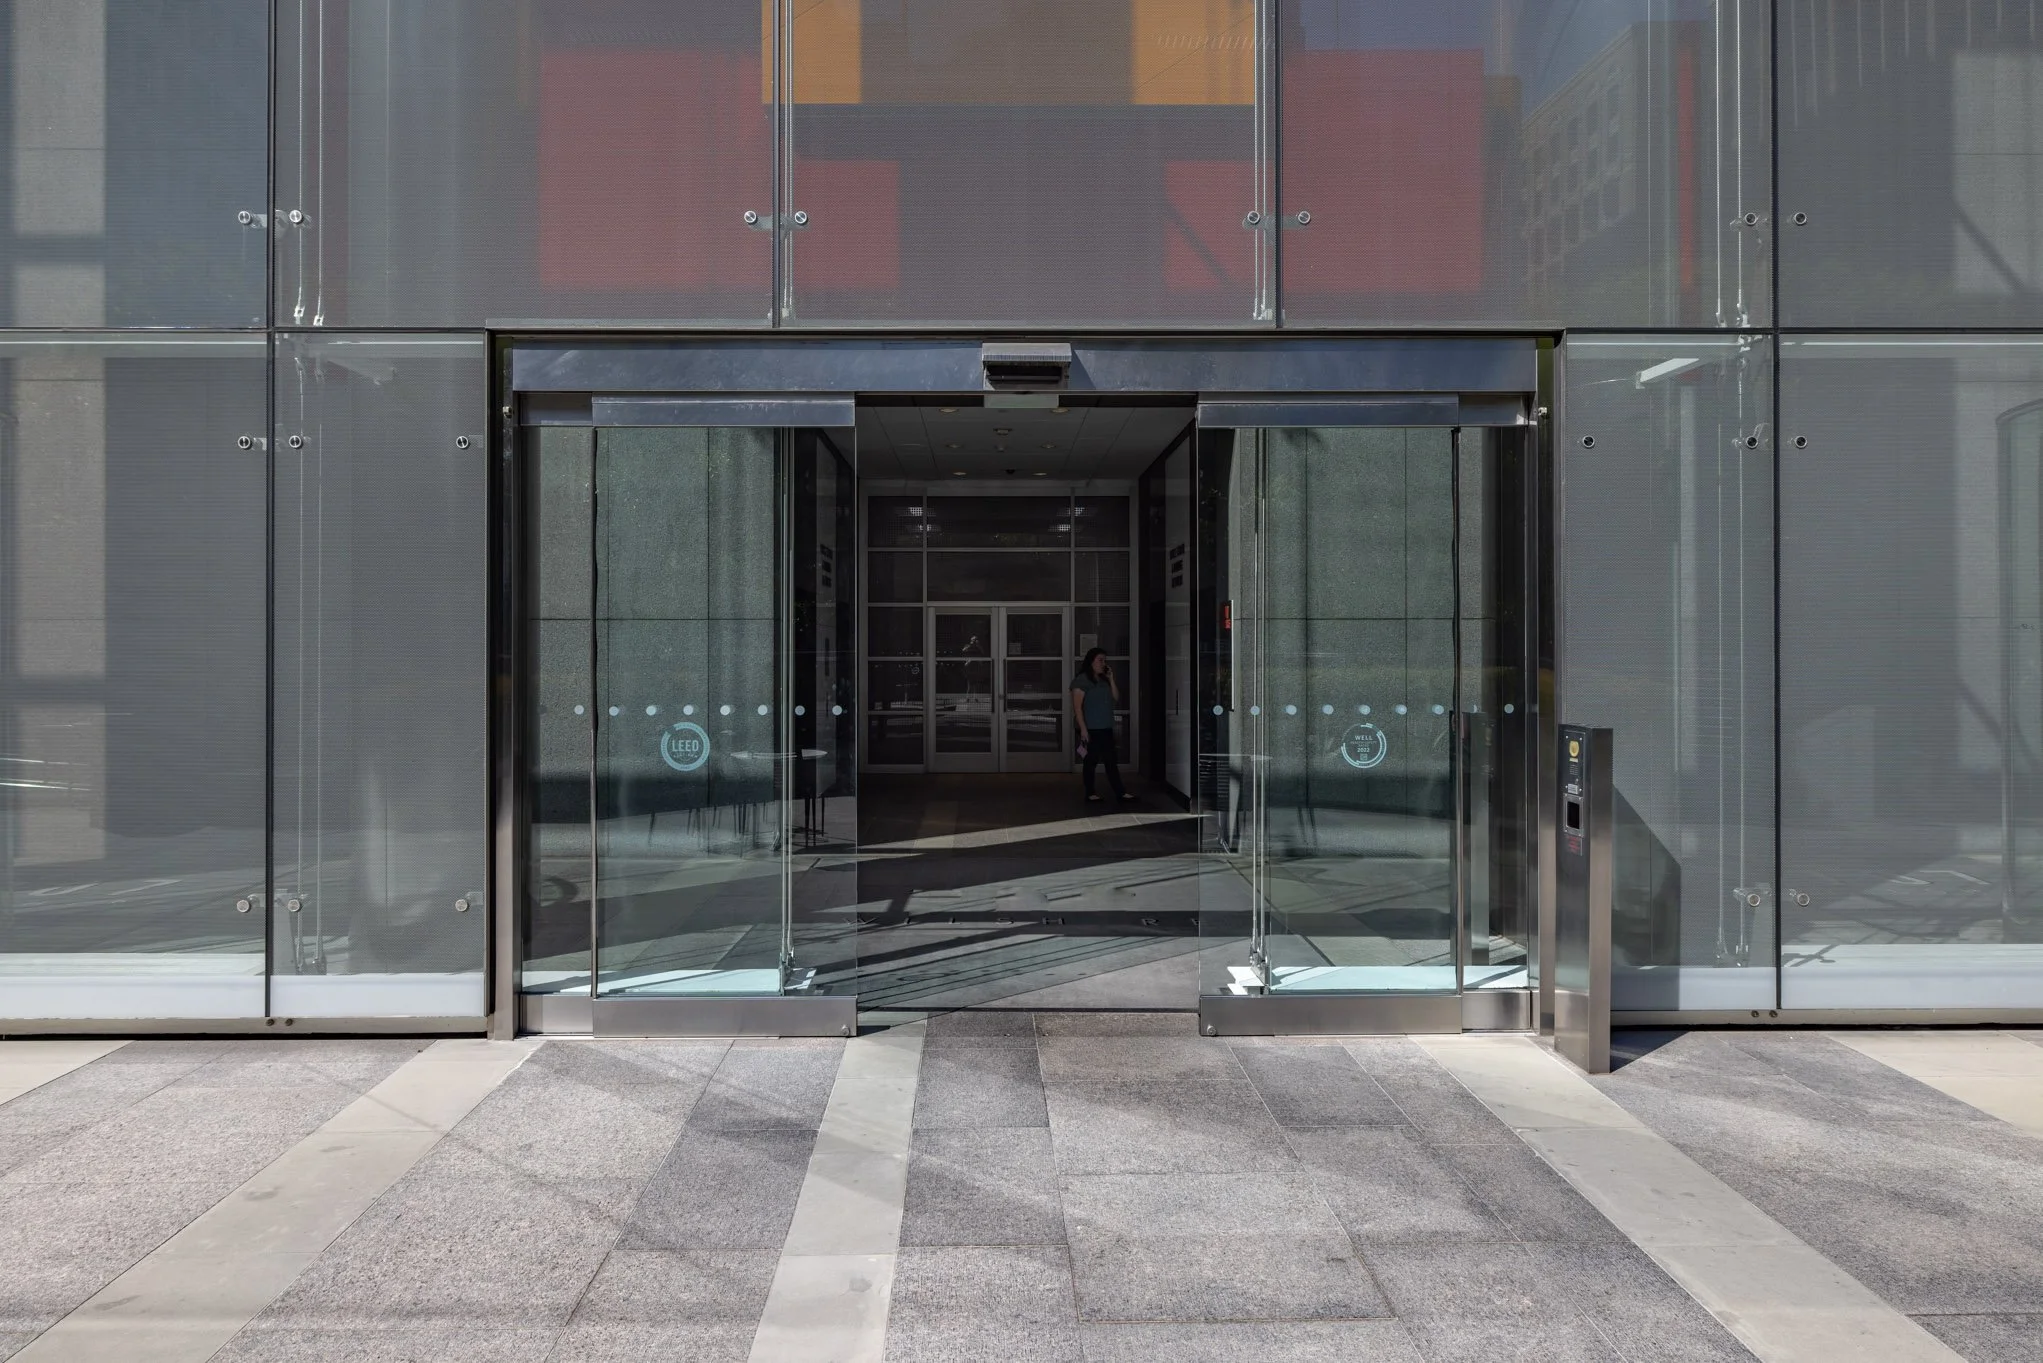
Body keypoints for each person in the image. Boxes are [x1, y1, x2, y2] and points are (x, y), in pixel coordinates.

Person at [1070, 648, 1133, 803]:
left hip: (1106, 726)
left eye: (1104, 660)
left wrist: (1111, 679)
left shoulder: (1104, 680)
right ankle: (1090, 792)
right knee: (1091, 760)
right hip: (1091, 727)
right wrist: (1083, 729)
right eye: (1100, 660)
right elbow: (1077, 707)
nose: (1103, 663)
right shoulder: (1082, 680)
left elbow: (1116, 698)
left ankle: (1120, 792)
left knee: (1111, 760)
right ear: (1091, 661)